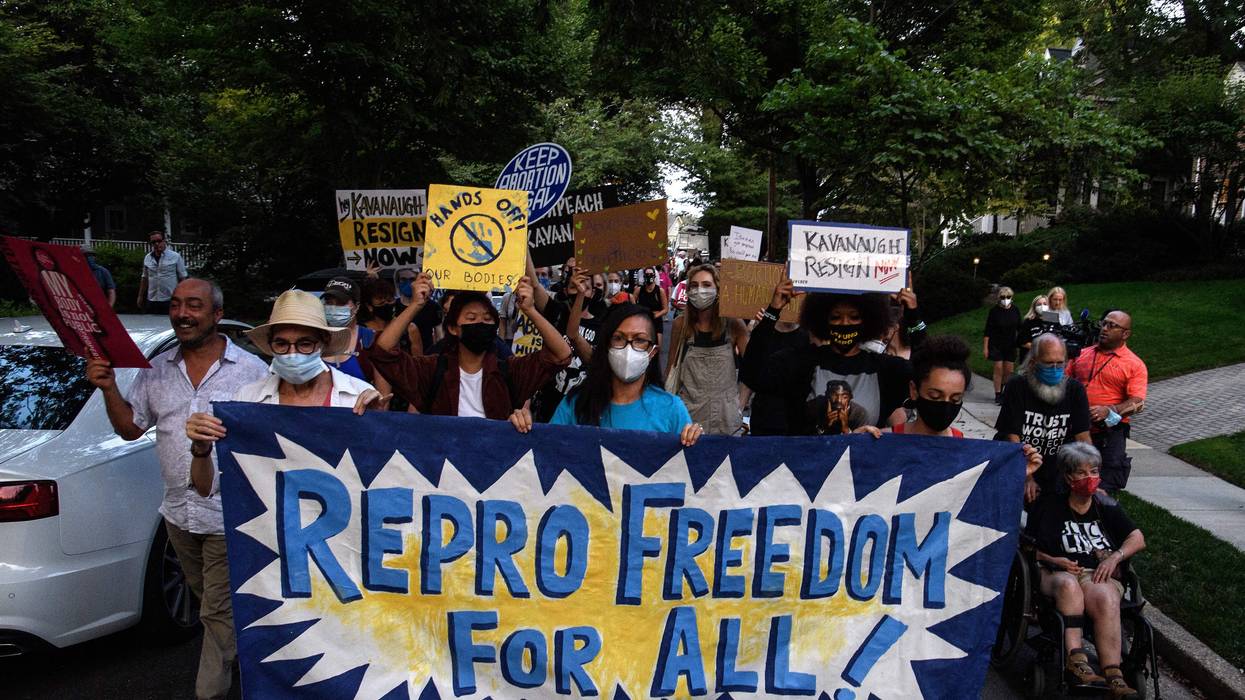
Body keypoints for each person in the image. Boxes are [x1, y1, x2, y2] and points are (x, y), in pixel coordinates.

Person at [84, 278, 269, 700]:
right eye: (177, 304)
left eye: (195, 306)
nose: (183, 313)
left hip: (231, 516)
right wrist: (109, 388)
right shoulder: (157, 370)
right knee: (216, 609)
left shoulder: (253, 372)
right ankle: (254, 660)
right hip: (179, 516)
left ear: (217, 315)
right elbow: (131, 428)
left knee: (216, 612)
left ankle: (211, 693)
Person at [184, 289, 386, 496]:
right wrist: (201, 449)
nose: (292, 353)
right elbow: (206, 487)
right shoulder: (248, 401)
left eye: (305, 344)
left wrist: (379, 427)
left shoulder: (357, 396)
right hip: (272, 525)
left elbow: (383, 480)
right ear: (271, 346)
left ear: (323, 342)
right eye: (281, 344)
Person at [1024, 442, 1146, 697]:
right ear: (1068, 477)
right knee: (1069, 585)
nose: (1089, 478)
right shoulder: (1050, 506)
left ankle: (1114, 673)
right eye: (1082, 473)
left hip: (1096, 575)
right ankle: (1076, 661)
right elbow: (1028, 548)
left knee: (1106, 595)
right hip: (1056, 573)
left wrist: (1115, 558)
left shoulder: (1105, 504)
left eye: (1094, 471)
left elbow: (1137, 538)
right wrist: (1055, 561)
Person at [369, 273, 571, 418]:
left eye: (487, 318)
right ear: (453, 328)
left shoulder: (509, 371)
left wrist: (530, 310)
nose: (480, 323)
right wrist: (415, 305)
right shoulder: (432, 370)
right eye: (471, 318)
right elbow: (383, 350)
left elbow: (561, 354)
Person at [509, 303, 703, 446]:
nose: (629, 347)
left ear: (652, 351)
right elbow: (546, 452)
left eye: (640, 340)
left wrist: (696, 442)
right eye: (619, 338)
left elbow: (688, 474)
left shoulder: (671, 409)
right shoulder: (575, 405)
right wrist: (521, 429)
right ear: (607, 346)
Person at [750, 289, 912, 435]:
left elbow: (926, 375)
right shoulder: (796, 363)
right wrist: (773, 310)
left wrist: (913, 316)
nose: (845, 323)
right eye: (836, 317)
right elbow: (753, 372)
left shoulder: (885, 369)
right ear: (823, 319)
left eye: (854, 317)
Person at [996, 333, 1092, 500]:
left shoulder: (1075, 390)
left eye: (1060, 363)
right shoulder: (1017, 386)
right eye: (1048, 364)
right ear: (1033, 363)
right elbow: (1013, 436)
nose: (1055, 369)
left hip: (1055, 469)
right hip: (1017, 463)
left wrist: (1088, 477)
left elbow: (1083, 437)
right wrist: (1026, 476)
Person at [1067, 310, 1147, 493]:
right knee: (1070, 475)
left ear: (1125, 334)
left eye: (1112, 326)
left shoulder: (1134, 364)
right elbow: (1063, 382)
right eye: (1104, 323)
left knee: (1106, 482)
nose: (1105, 328)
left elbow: (1138, 401)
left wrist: (1109, 410)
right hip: (1076, 427)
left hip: (1109, 432)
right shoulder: (1082, 354)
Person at [664, 264, 749, 435]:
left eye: (706, 285)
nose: (699, 290)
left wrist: (739, 404)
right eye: (694, 285)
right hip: (689, 418)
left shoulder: (734, 324)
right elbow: (670, 369)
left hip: (728, 418)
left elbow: (752, 370)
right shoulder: (681, 325)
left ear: (718, 289)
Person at [319, 276, 393, 408]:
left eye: (341, 303)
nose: (334, 308)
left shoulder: (371, 340)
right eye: (329, 303)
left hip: (359, 422)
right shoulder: (313, 341)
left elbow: (383, 399)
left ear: (357, 306)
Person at [984, 286, 1022, 404]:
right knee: (998, 368)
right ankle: (998, 393)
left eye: (1008, 297)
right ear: (999, 298)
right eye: (1003, 297)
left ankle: (1004, 388)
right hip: (996, 344)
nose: (1006, 299)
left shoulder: (1015, 310)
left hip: (1010, 344)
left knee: (1008, 370)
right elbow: (988, 330)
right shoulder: (994, 311)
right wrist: (985, 347)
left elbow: (1020, 327)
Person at [137, 230, 188, 315]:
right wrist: (140, 296)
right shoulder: (148, 258)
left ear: (164, 241)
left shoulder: (175, 257)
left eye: (159, 241)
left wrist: (183, 298)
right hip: (152, 299)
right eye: (153, 242)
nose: (157, 244)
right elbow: (144, 278)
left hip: (169, 299)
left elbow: (183, 278)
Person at [631, 267, 670, 333]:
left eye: (651, 274)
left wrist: (654, 316)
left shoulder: (660, 291)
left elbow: (665, 309)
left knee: (657, 342)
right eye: (647, 274)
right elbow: (632, 305)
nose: (649, 276)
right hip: (642, 321)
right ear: (644, 276)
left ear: (654, 276)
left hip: (656, 321)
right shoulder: (638, 290)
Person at [1016, 294, 1050, 367]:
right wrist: (1040, 349)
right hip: (1030, 360)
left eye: (1045, 304)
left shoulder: (1053, 319)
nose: (1042, 306)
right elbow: (1022, 341)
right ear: (1034, 307)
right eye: (1039, 304)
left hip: (1048, 360)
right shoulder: (1028, 321)